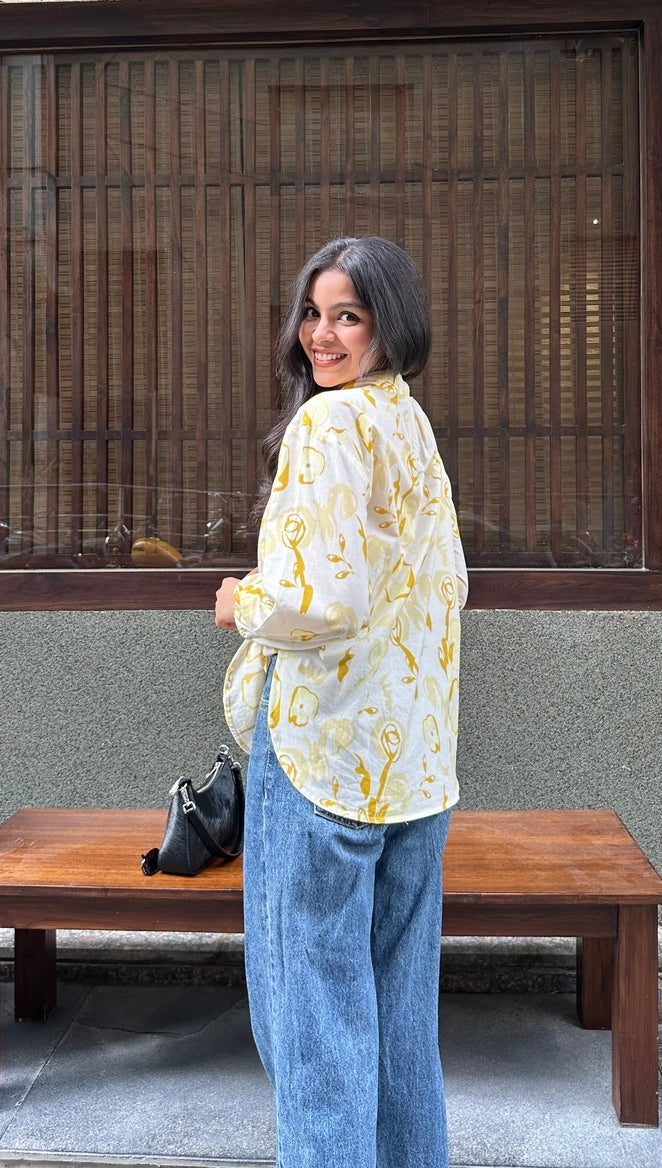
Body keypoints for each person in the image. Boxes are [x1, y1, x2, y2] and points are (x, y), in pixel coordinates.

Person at [215, 235, 467, 1168]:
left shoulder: (329, 428)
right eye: (313, 314)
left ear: (388, 323)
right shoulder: (407, 422)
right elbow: (441, 588)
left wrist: (241, 600)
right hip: (413, 761)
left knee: (312, 1018)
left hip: (324, 756)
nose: (321, 335)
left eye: (348, 315)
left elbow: (322, 602)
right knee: (400, 1014)